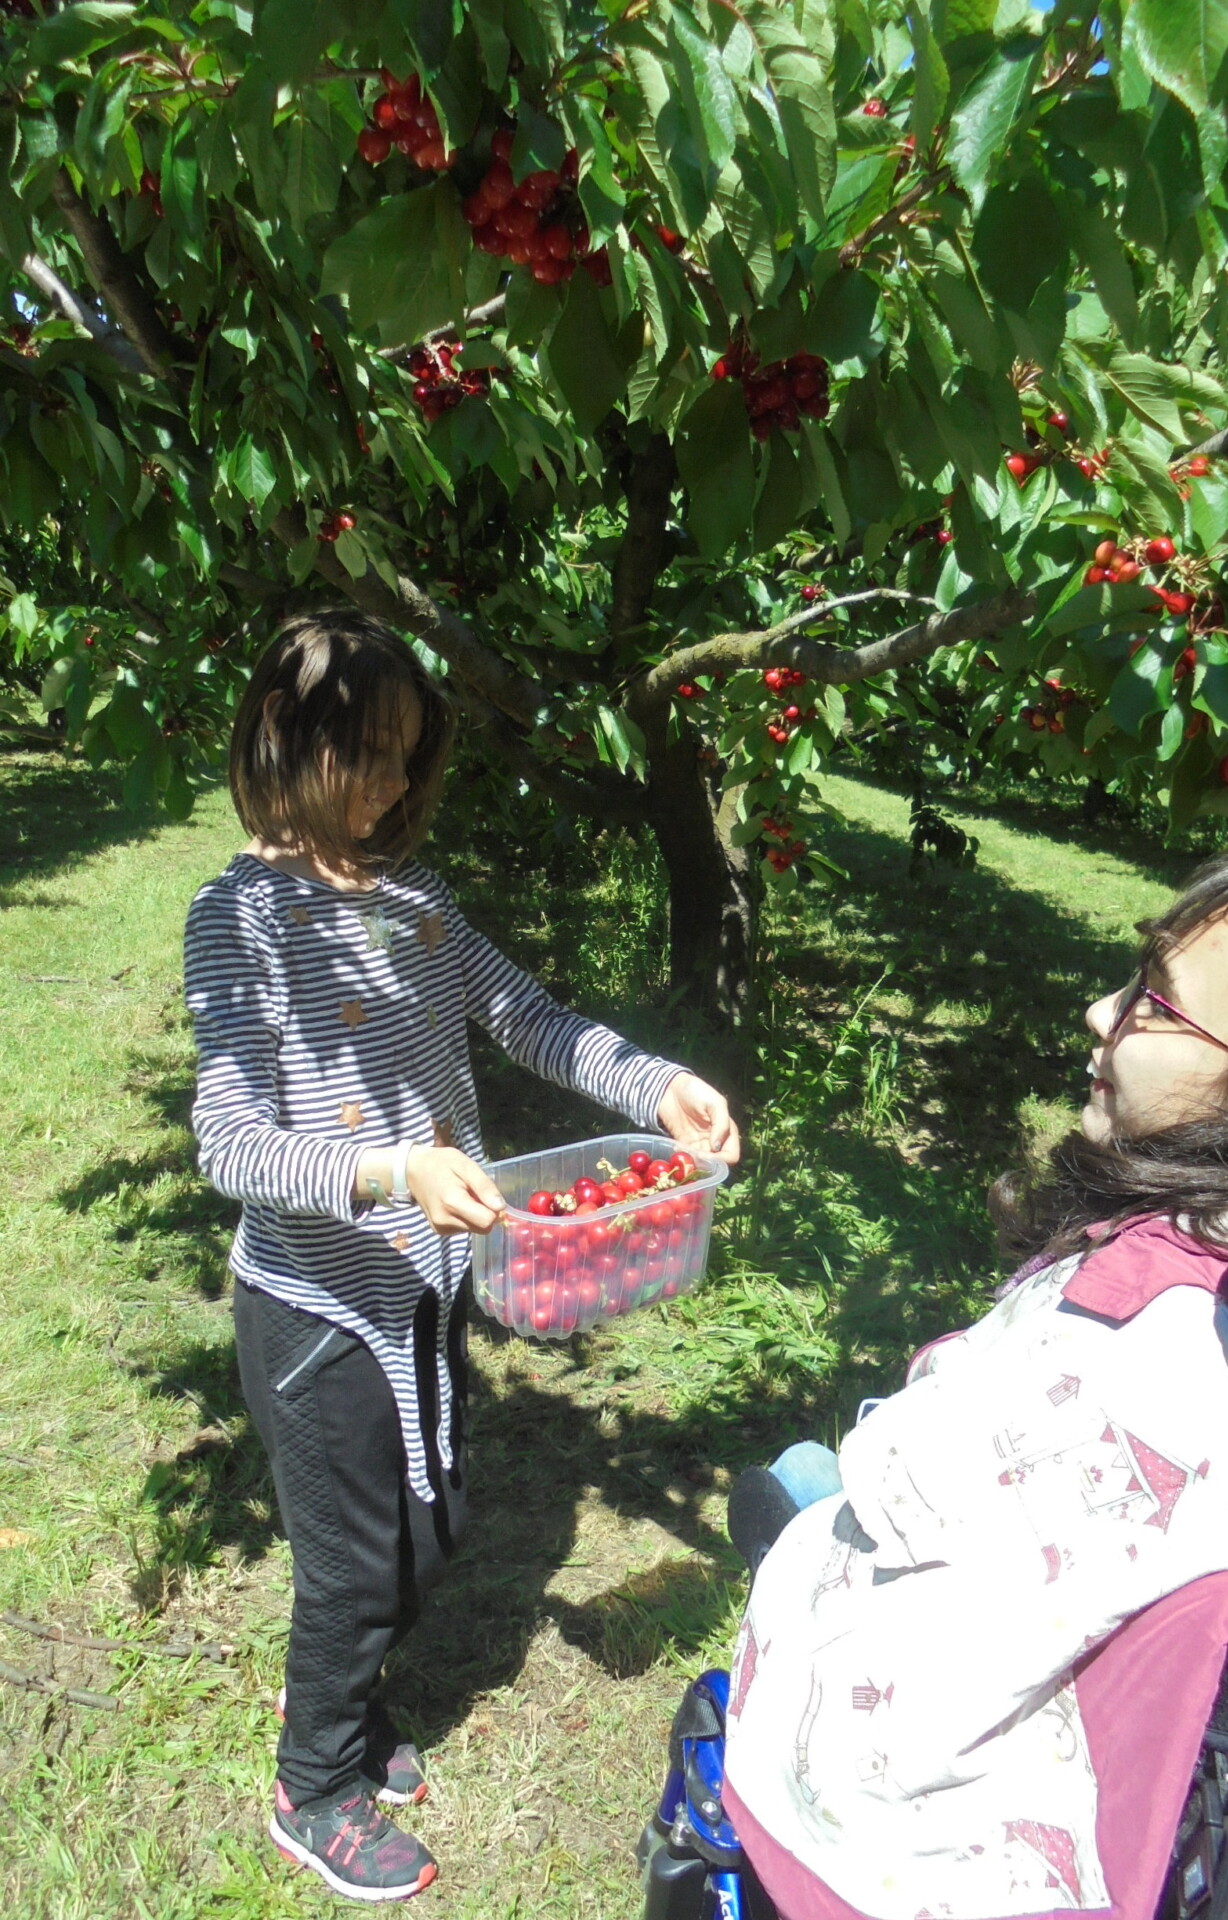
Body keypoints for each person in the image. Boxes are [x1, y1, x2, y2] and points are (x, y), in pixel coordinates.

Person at [183, 609, 740, 1904]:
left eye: (405, 759)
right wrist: (388, 1173)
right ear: (283, 735)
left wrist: (655, 1086)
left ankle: (346, 1695)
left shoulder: (418, 904)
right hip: (317, 1307)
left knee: (423, 1543)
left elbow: (529, 1019)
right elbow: (227, 1140)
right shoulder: (238, 919)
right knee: (353, 1567)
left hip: (427, 1287)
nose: (385, 786)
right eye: (362, 753)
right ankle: (312, 1782)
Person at [721, 833, 1228, 1920]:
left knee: (813, 1476)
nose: (1101, 1013)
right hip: (1106, 1822)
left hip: (892, 1854)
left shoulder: (1147, 1329)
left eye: (1155, 1003)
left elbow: (914, 1486)